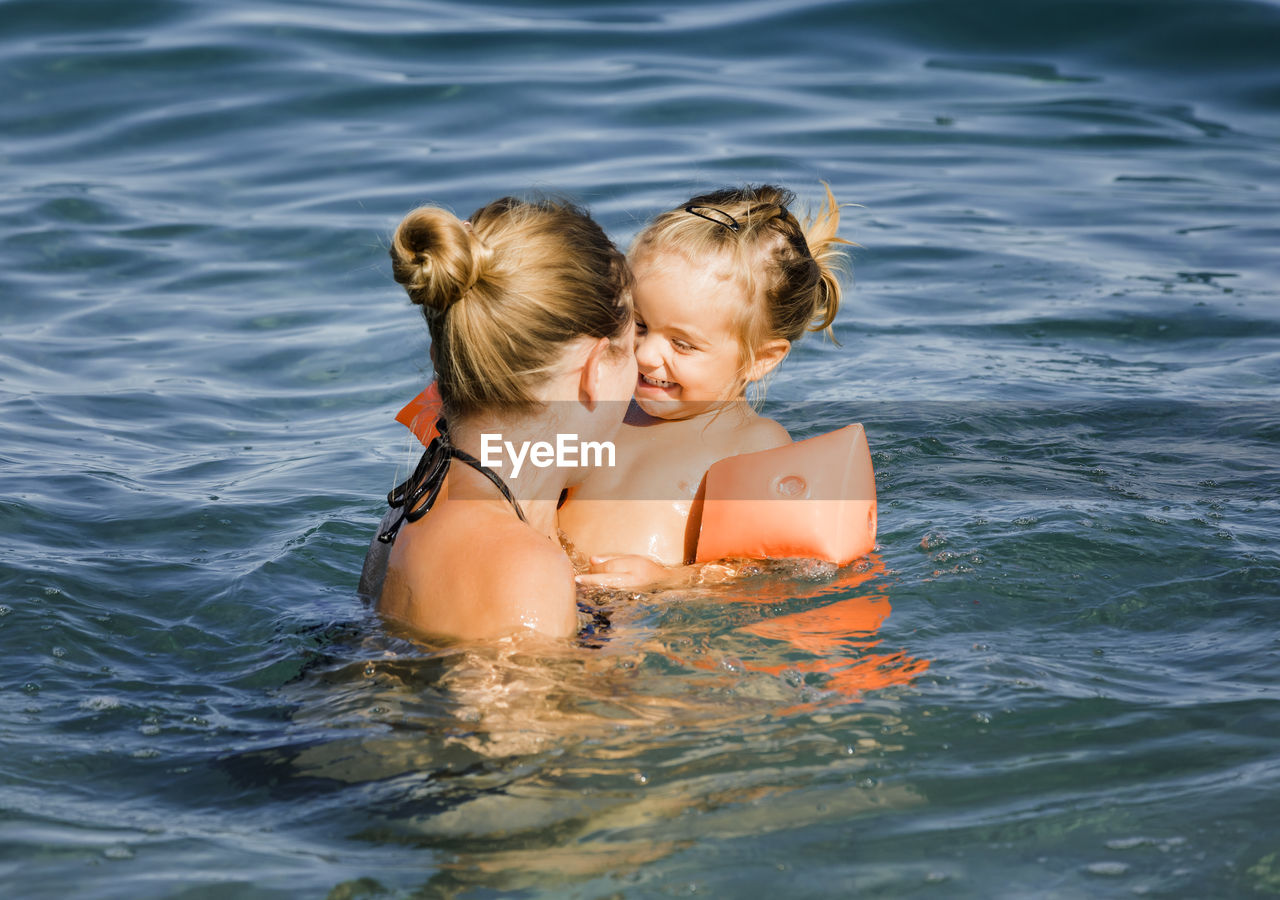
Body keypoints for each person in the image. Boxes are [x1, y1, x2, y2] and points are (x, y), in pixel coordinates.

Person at [367, 195, 636, 641]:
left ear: (441, 360)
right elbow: (501, 711)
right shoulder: (524, 569)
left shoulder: (410, 507)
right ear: (594, 369)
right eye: (632, 350)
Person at [560, 184, 849, 589]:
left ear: (759, 359)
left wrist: (666, 583)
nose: (645, 355)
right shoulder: (602, 407)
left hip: (645, 619)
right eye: (639, 324)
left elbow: (763, 574)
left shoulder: (754, 445)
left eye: (682, 344)